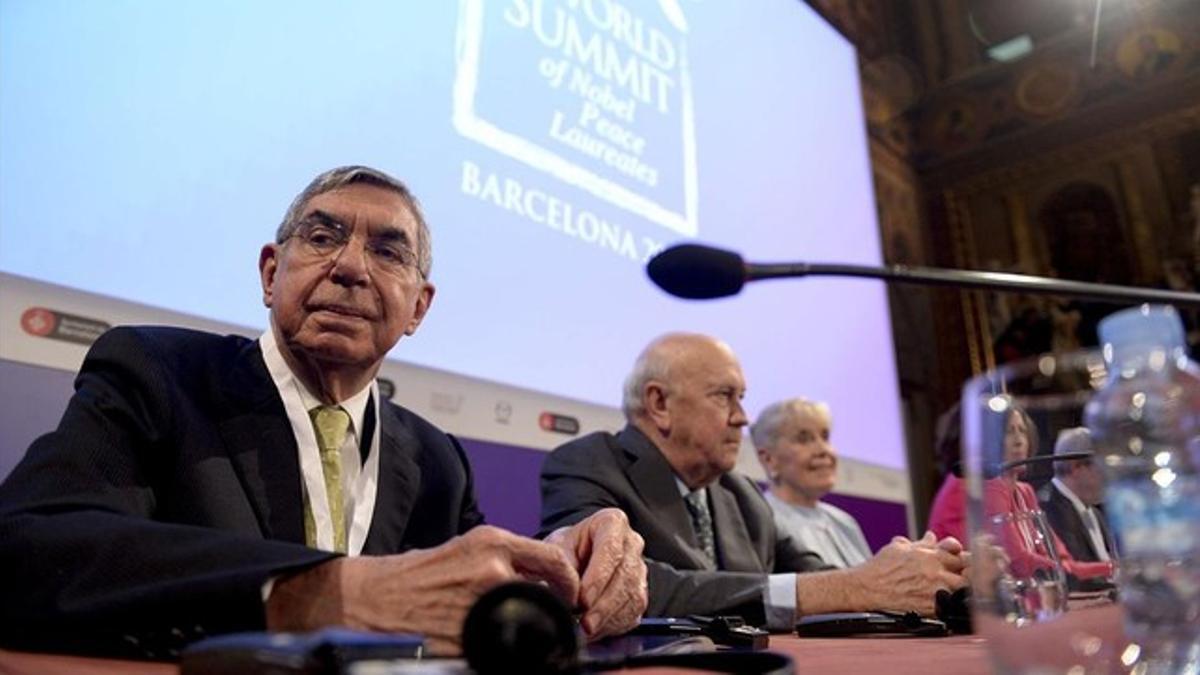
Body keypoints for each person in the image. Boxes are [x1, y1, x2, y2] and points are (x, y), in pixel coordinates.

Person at [0, 166, 646, 658]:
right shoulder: (157, 370)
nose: (349, 267)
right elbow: (30, 547)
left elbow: (464, 589)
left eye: (388, 251)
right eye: (322, 236)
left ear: (418, 307)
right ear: (270, 272)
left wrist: (564, 571)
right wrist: (317, 592)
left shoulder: (434, 458)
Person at [539, 333, 968, 629]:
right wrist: (855, 586)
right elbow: (620, 583)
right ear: (659, 403)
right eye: (724, 396)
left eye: (741, 398)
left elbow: (819, 577)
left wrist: (917, 575)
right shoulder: (587, 464)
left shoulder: (741, 494)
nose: (742, 417)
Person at [981, 404, 1112, 586]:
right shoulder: (992, 489)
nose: (1019, 441)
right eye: (1009, 432)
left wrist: (1114, 569)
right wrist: (1066, 569)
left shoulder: (1025, 491)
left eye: (1023, 431)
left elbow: (1060, 558)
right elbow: (1019, 562)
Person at [752, 398, 871, 568]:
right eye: (804, 439)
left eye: (825, 437)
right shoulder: (763, 523)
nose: (823, 450)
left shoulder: (844, 522)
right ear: (769, 459)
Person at [1038, 427, 1115, 564]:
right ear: (1076, 467)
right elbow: (1072, 574)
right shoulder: (1048, 508)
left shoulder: (1094, 512)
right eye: (1103, 465)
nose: (1109, 475)